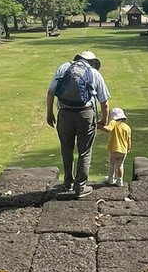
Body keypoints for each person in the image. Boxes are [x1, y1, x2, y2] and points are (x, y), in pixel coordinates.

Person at [46, 50, 110, 197]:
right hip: (85, 114)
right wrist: (104, 120)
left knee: (66, 149)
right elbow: (104, 102)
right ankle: (80, 187)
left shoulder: (64, 68)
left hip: (65, 114)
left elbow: (51, 92)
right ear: (92, 62)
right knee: (85, 151)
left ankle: (67, 183)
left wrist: (49, 113)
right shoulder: (94, 73)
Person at [101, 107, 131, 186]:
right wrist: (128, 148)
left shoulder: (113, 122)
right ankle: (120, 181)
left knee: (112, 164)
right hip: (123, 149)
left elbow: (108, 129)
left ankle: (110, 179)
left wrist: (98, 126)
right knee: (120, 165)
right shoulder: (127, 127)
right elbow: (128, 139)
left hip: (114, 148)